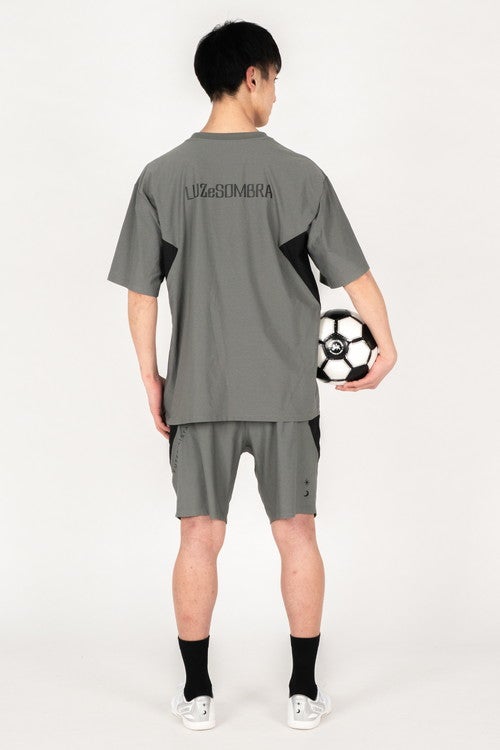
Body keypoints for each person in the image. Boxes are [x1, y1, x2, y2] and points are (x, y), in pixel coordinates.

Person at [106, 19, 397, 731]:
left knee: (197, 539)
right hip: (285, 394)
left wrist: (152, 379)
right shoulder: (300, 175)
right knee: (297, 534)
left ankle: (197, 695)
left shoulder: (161, 177)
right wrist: (385, 344)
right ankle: (303, 693)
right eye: (274, 81)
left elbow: (142, 295)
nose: (275, 95)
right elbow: (354, 275)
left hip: (197, 391)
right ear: (253, 77)